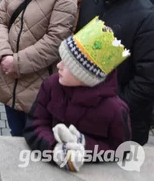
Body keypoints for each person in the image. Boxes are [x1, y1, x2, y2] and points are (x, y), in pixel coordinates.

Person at [0, 0, 77, 136]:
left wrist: (17, 63)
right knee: (15, 134)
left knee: (35, 143)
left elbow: (56, 40)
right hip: (9, 79)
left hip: (39, 84)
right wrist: (3, 54)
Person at [23, 18, 131, 169]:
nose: (59, 66)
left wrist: (83, 145)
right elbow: (34, 125)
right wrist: (54, 148)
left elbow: (121, 150)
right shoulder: (51, 86)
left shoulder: (115, 110)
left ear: (85, 75)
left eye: (68, 65)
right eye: (61, 59)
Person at [77, 0, 154, 145]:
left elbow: (146, 79)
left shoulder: (146, 16)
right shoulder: (91, 1)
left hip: (123, 122)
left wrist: (110, 106)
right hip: (82, 111)